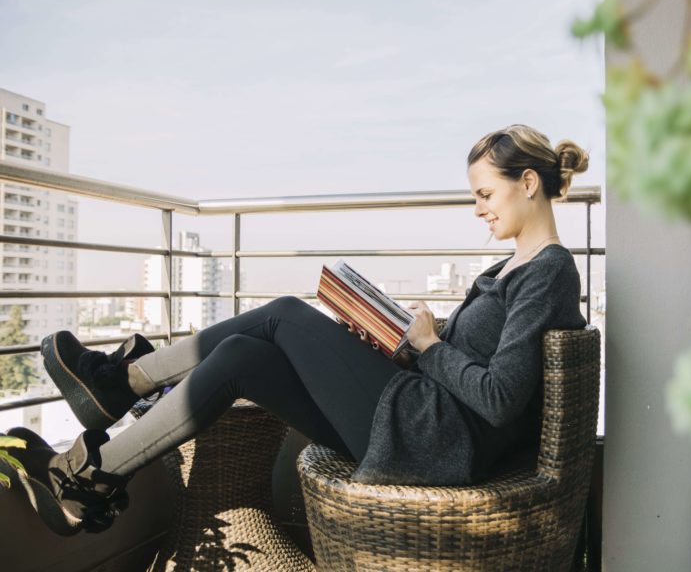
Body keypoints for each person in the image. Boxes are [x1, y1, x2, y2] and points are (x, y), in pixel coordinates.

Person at [0, 124, 589, 536]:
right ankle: (91, 482)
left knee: (284, 311)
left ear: (529, 183)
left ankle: (121, 384)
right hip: (418, 420)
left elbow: (500, 397)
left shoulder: (548, 270)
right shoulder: (511, 265)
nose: (479, 209)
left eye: (486, 194)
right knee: (239, 356)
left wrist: (431, 345)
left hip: (433, 441)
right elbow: (473, 369)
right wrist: (399, 345)